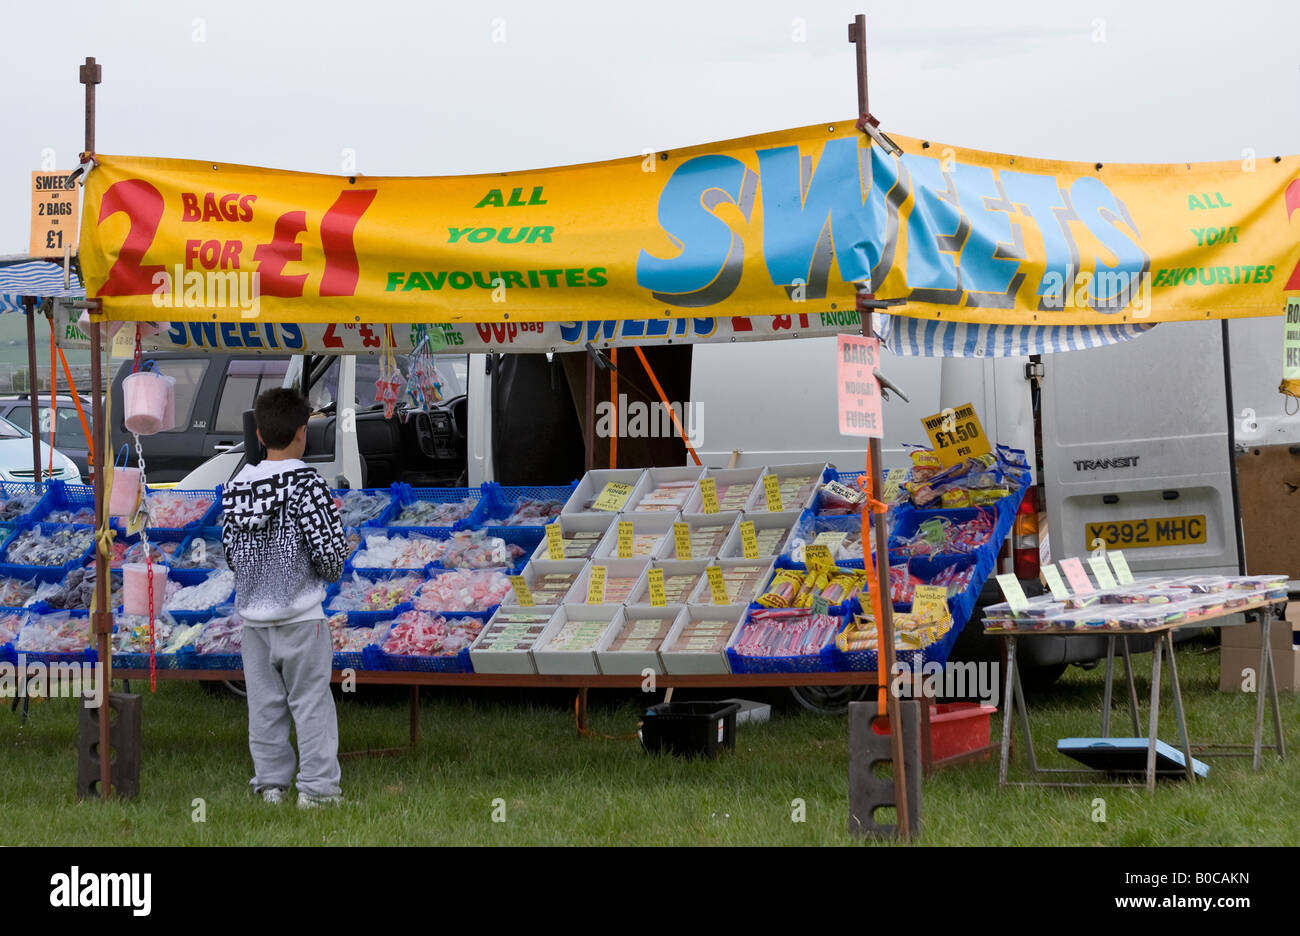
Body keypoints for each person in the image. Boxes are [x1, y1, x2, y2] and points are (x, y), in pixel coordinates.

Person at [220, 387, 349, 808]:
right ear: (302, 432)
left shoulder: (235, 485)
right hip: (302, 617)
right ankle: (317, 791)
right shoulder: (306, 484)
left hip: (253, 622)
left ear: (258, 434)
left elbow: (230, 553)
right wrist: (325, 575)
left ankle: (271, 786)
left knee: (265, 707)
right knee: (311, 703)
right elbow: (330, 554)